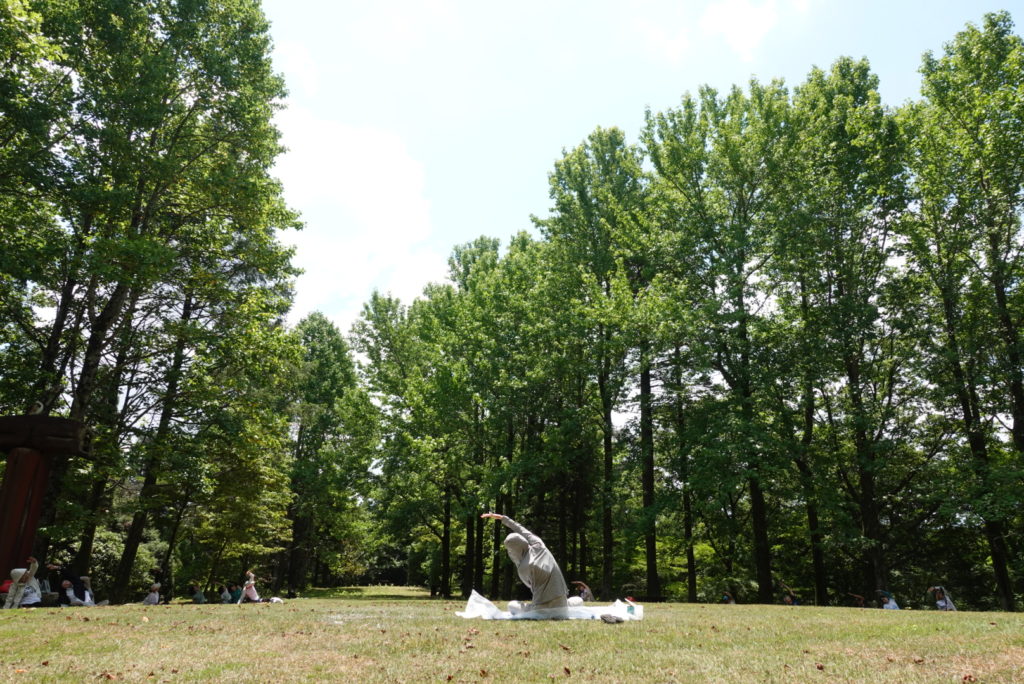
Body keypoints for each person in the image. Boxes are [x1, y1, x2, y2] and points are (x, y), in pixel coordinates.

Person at [481, 512, 568, 616]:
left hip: (541, 610)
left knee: (512, 605)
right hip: (563, 606)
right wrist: (502, 518)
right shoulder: (539, 545)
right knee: (577, 600)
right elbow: (522, 530)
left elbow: (531, 587)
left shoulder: (523, 568)